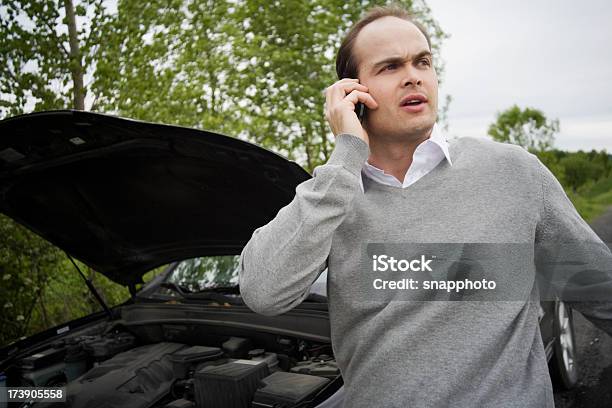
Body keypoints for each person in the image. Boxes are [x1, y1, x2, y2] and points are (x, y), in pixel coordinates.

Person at [239, 4, 612, 407]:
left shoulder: (512, 172)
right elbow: (263, 293)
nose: (413, 75)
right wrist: (345, 157)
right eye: (390, 67)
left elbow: (598, 291)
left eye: (423, 61)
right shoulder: (332, 196)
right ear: (352, 93)